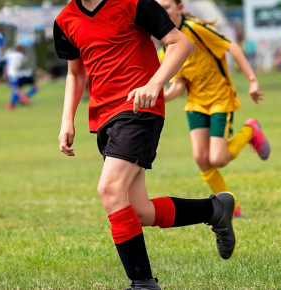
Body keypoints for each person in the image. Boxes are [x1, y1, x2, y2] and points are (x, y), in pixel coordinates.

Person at [55, 0, 237, 288]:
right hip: (103, 118)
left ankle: (142, 284)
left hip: (138, 110)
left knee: (110, 189)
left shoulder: (133, 3)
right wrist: (68, 119)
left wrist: (155, 84)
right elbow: (75, 73)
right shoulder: (64, 20)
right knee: (139, 210)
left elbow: (180, 43)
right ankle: (214, 210)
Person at [157, 0, 270, 218]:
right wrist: (158, 97)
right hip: (196, 103)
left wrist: (252, 80)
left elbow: (232, 47)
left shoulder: (195, 28)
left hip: (220, 98)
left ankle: (250, 131)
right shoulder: (165, 47)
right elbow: (179, 86)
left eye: (167, 6)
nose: (163, 12)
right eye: (159, 8)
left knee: (218, 159)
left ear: (180, 8)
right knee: (201, 158)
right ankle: (231, 205)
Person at [3, 44, 39, 111]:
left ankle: (13, 103)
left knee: (16, 90)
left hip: (10, 75)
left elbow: (5, 65)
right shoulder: (21, 55)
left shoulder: (9, 55)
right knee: (35, 85)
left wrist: (5, 75)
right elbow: (25, 65)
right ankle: (21, 99)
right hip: (18, 75)